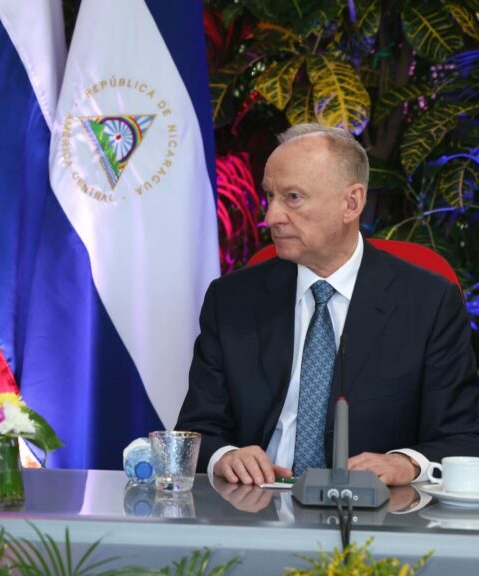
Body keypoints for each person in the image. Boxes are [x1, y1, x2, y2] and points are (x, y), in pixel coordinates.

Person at [177, 123, 479, 487]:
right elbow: (196, 431)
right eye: (269, 196)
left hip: (376, 520)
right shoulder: (231, 299)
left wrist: (407, 463)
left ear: (351, 203)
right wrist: (226, 456)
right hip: (255, 507)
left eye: (292, 197)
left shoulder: (428, 302)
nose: (271, 217)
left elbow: (464, 436)